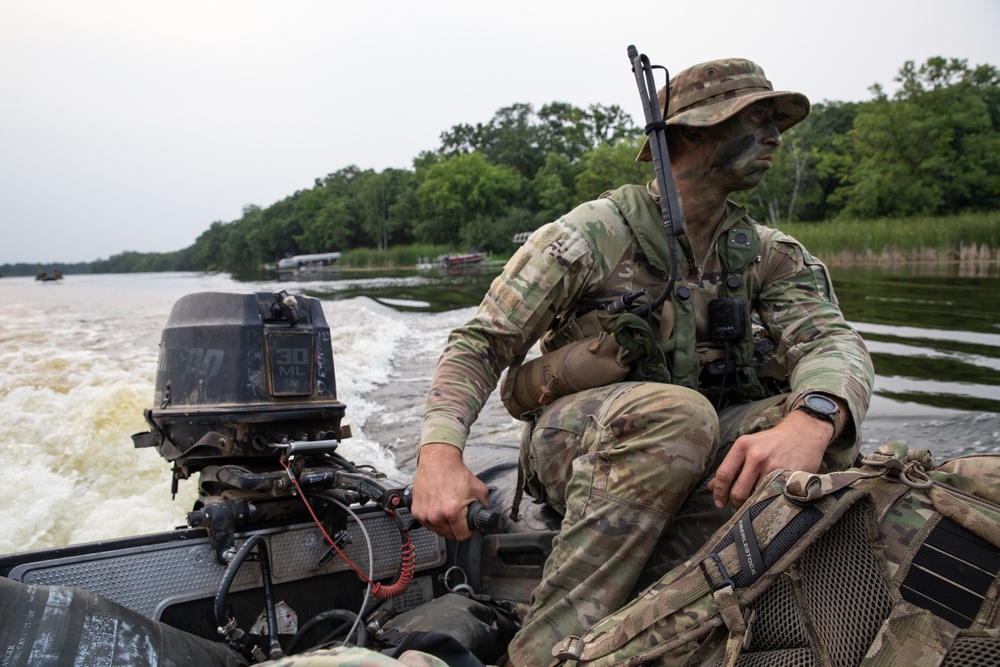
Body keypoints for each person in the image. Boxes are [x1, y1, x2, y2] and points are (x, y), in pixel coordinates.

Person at [411, 58, 874, 666]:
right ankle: (544, 651)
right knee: (678, 413)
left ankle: (678, 614)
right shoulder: (592, 234)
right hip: (580, 442)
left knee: (828, 435)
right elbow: (481, 344)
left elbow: (832, 344)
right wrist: (440, 456)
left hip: (697, 440)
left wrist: (812, 419)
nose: (774, 137)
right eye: (754, 119)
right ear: (693, 132)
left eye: (774, 121)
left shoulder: (765, 253)